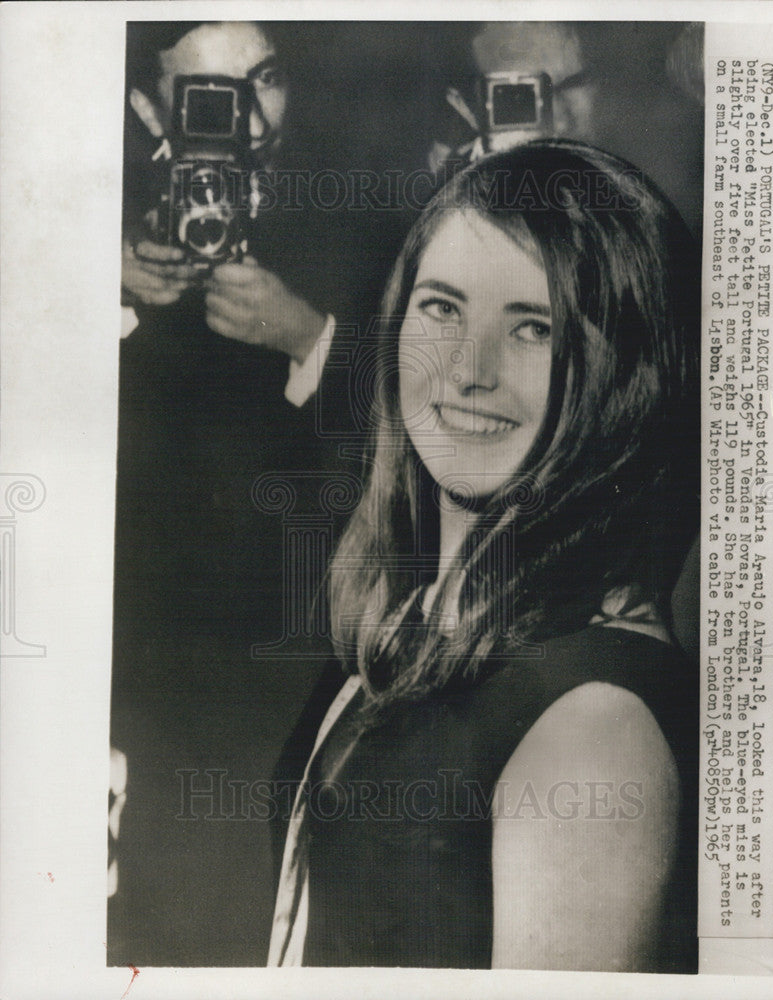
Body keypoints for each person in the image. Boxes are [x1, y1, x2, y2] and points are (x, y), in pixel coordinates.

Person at [268, 140, 700, 971]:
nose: (469, 369)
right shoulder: (417, 631)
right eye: (441, 309)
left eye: (533, 328)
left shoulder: (592, 725)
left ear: (629, 376)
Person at [109, 21, 411, 966]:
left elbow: (442, 425)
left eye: (265, 80)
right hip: (148, 668)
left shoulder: (368, 212)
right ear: (149, 110)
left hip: (307, 660)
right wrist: (88, 281)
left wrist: (309, 338)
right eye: (207, 93)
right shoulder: (87, 215)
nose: (244, 116)